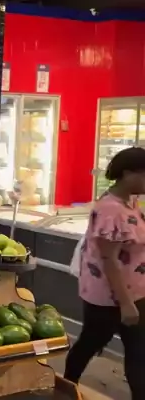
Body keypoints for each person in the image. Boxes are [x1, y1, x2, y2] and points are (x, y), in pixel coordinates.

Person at [64, 147, 145, 398]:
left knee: (138, 351)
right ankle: (66, 386)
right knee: (91, 342)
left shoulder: (130, 201)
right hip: (111, 298)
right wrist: (126, 303)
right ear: (128, 173)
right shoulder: (111, 209)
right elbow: (109, 260)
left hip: (135, 292)